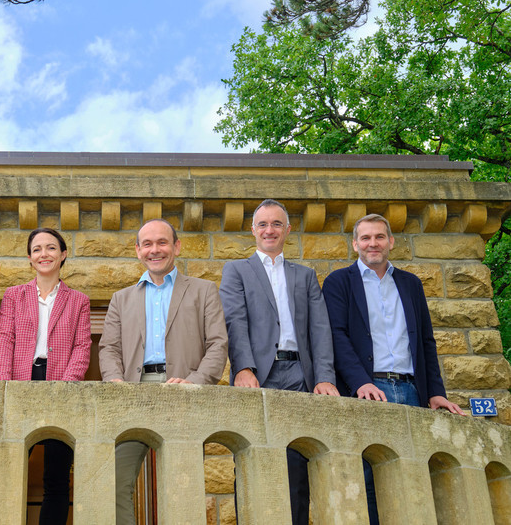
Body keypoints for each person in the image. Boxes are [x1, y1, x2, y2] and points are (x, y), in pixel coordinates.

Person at [322, 213, 465, 524]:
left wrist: (435, 393)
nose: (373, 243)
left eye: (379, 237)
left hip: (412, 392)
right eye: (366, 238)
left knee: (415, 476)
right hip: (368, 393)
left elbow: (426, 342)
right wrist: (360, 382)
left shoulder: (410, 284)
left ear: (391, 242)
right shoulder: (339, 282)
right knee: (371, 479)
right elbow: (336, 336)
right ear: (355, 244)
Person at [98, 218, 228, 525]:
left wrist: (193, 382)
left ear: (176, 247)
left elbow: (218, 345)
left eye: (162, 242)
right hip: (133, 394)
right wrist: (115, 381)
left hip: (182, 392)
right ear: (138, 250)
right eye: (147, 244)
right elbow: (108, 349)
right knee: (115, 483)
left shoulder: (204, 290)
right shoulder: (121, 298)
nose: (154, 250)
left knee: (183, 486)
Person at [219, 198, 338, 525]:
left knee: (297, 465)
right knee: (253, 457)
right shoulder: (236, 271)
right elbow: (234, 321)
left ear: (287, 229)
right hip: (257, 376)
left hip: (300, 375)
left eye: (276, 224)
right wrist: (243, 367)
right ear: (253, 230)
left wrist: (324, 377)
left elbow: (320, 329)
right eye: (262, 224)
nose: (269, 230)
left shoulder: (305, 276)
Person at [0, 227, 92, 524]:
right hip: (21, 382)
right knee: (9, 470)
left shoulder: (79, 301)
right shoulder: (13, 296)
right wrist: (3, 385)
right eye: (37, 249)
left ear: (62, 255)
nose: (43, 254)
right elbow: (4, 340)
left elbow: (82, 346)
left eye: (51, 248)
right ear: (29, 258)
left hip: (60, 385)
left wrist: (67, 384)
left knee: (57, 475)